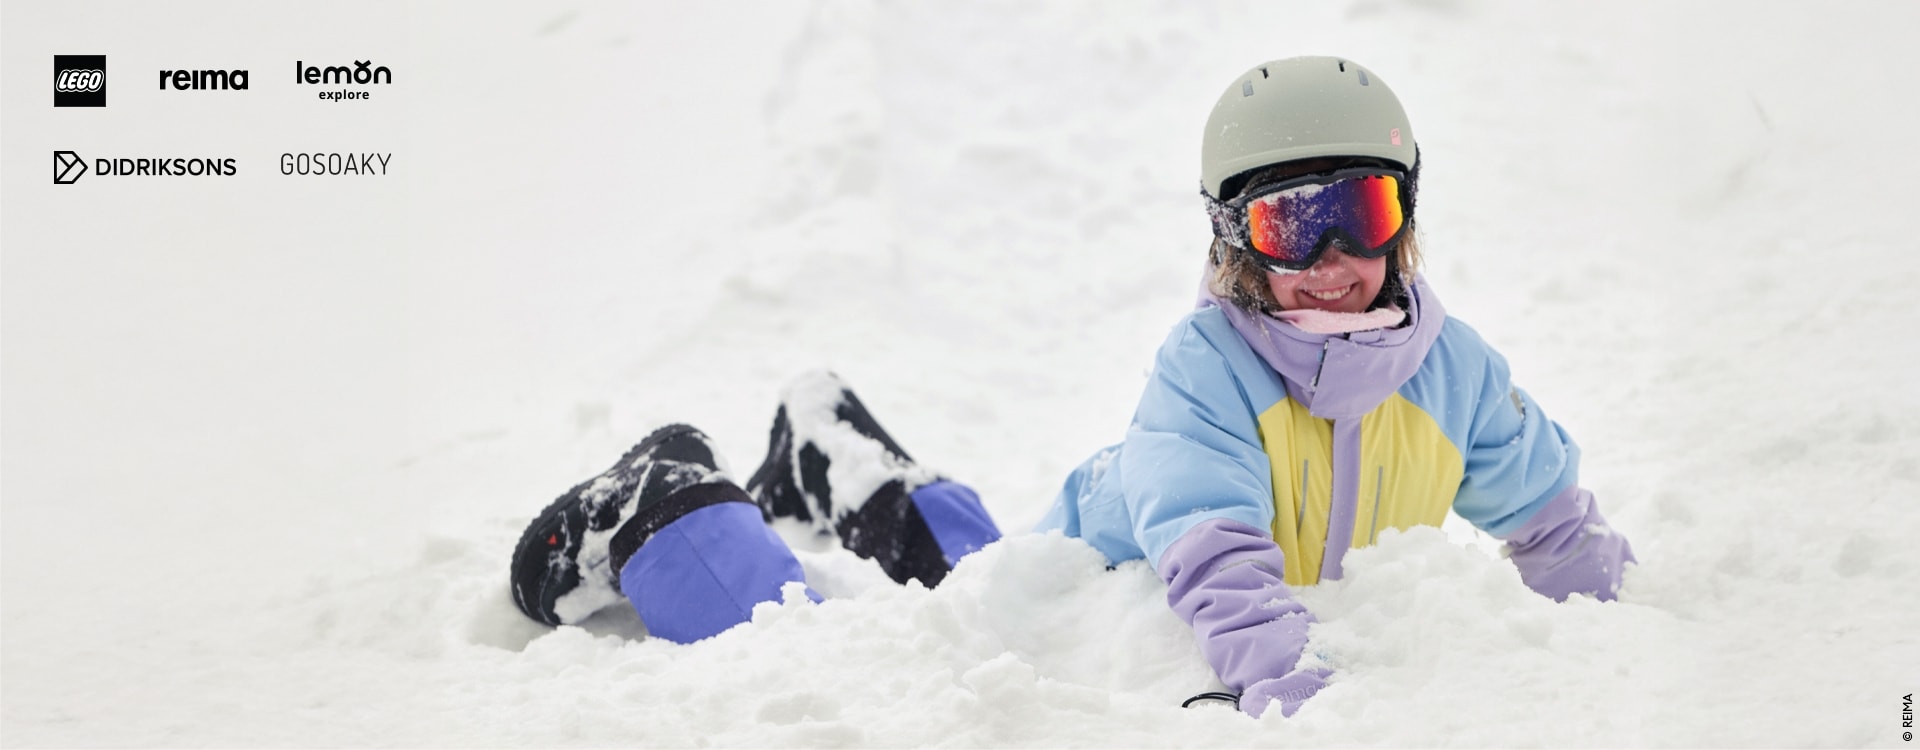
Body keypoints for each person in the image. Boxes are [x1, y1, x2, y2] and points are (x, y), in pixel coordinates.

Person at [507, 55, 1636, 720]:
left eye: (1368, 212)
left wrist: (1627, 629)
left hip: (1096, 532)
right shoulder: (1209, 368)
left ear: (1409, 217)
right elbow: (1218, 563)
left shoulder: (1456, 372)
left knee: (958, 565)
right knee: (859, 650)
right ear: (1238, 242)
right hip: (1093, 582)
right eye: (1295, 222)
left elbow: (1553, 520)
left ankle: (833, 450)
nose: (1338, 257)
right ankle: (665, 512)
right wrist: (1290, 691)